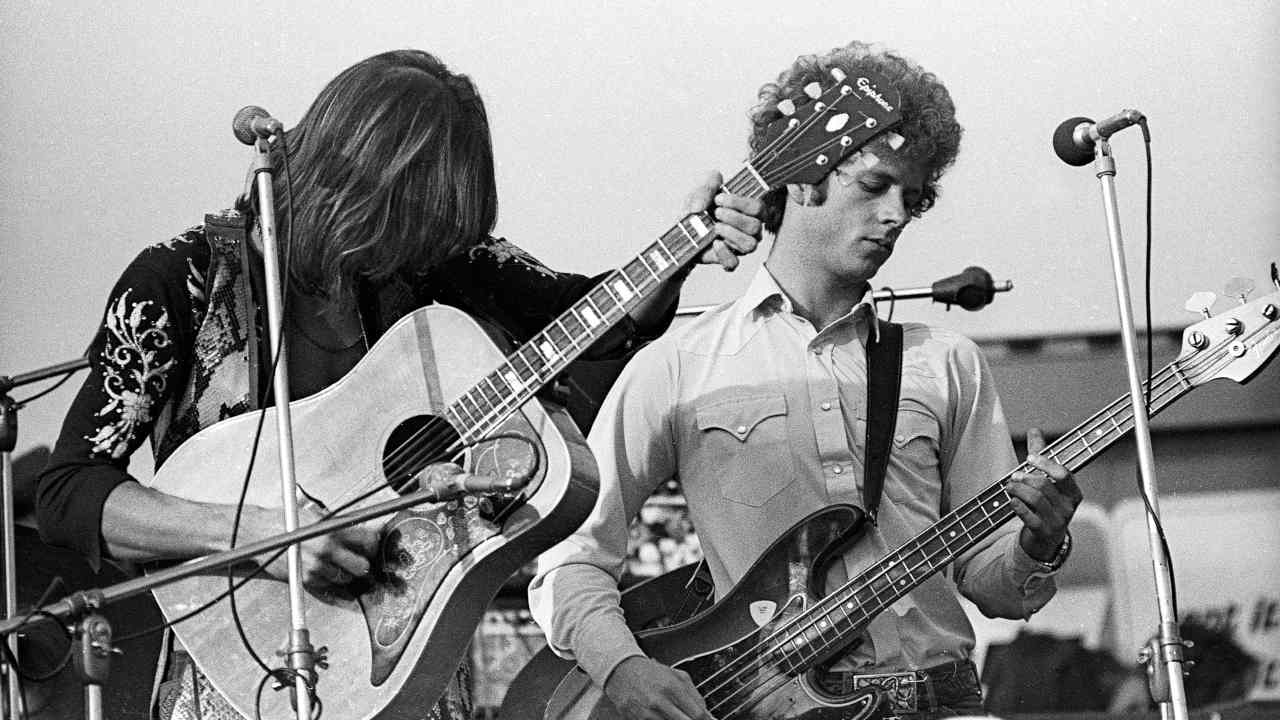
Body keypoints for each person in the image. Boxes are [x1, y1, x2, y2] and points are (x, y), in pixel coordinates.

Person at [35, 49, 762, 720]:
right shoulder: (180, 281)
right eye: (415, 216)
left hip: (411, 671)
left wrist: (686, 246)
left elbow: (585, 317)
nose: (432, 242)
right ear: (356, 181)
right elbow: (69, 489)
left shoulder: (428, 268)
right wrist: (263, 533)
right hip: (238, 679)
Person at [529, 41, 1083, 720]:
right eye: (874, 186)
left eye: (913, 198)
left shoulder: (948, 363)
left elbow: (994, 587)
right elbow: (571, 555)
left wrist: (1039, 543)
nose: (895, 217)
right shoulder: (678, 366)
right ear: (797, 178)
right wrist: (623, 667)